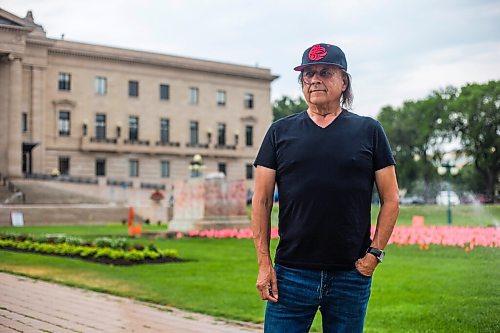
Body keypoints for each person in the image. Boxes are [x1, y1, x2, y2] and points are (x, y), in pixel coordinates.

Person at [251, 43, 399, 333]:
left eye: (325, 72)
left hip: (350, 275)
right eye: (308, 74)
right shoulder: (279, 132)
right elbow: (262, 200)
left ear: (343, 81)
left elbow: (391, 199)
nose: (315, 79)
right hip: (290, 275)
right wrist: (264, 264)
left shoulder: (369, 130)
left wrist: (374, 256)